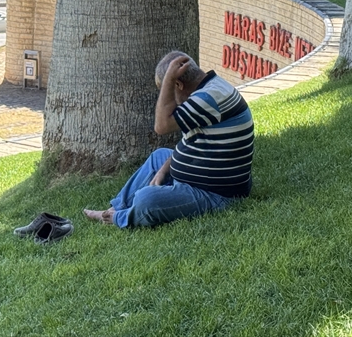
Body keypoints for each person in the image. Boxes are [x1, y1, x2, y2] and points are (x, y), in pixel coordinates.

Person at [84, 51, 254, 228]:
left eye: (168, 92)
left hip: (217, 194)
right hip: (207, 180)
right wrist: (163, 171)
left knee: (146, 199)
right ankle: (114, 208)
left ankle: (118, 218)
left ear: (178, 84)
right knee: (161, 156)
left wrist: (168, 80)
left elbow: (161, 126)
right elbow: (190, 143)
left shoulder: (206, 99)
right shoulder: (212, 86)